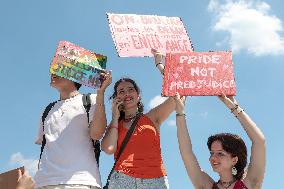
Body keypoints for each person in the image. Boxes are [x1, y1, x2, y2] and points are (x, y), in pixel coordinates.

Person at [101, 52, 175, 189]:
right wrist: (115, 117)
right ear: (116, 98)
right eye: (121, 91)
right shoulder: (115, 124)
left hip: (155, 180)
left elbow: (179, 94)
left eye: (131, 89)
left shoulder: (153, 116)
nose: (127, 94)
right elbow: (108, 149)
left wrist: (160, 66)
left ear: (138, 95)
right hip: (122, 179)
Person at [34, 72, 112, 189]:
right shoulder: (47, 110)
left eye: (59, 69)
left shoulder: (90, 100)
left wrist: (100, 93)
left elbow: (96, 135)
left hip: (81, 182)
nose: (52, 73)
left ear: (74, 75)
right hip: (44, 182)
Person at [174, 93, 266, 189]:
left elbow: (259, 141)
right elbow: (186, 152)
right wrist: (180, 113)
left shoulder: (250, 183)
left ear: (234, 160)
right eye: (212, 153)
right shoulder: (207, 186)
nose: (213, 158)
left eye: (220, 153)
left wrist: (235, 108)